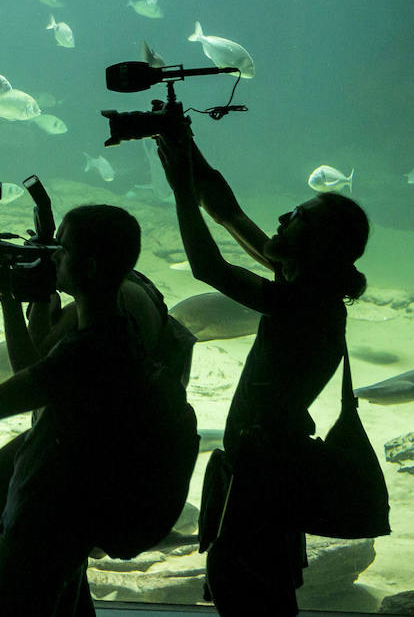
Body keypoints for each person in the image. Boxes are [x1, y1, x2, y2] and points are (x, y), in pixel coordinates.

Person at [155, 130, 369, 616]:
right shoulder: (305, 283)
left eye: (300, 217)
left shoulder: (302, 304)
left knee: (248, 591)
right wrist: (185, 146)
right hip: (261, 469)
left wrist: (182, 193)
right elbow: (228, 213)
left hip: (265, 479)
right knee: (258, 590)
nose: (282, 217)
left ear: (320, 246)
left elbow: (208, 267)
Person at [0, 204, 197, 616]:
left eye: (61, 250)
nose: (51, 256)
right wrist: (12, 301)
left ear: (87, 266)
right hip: (66, 527)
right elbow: (36, 372)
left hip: (41, 528)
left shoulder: (86, 353)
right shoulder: (114, 332)